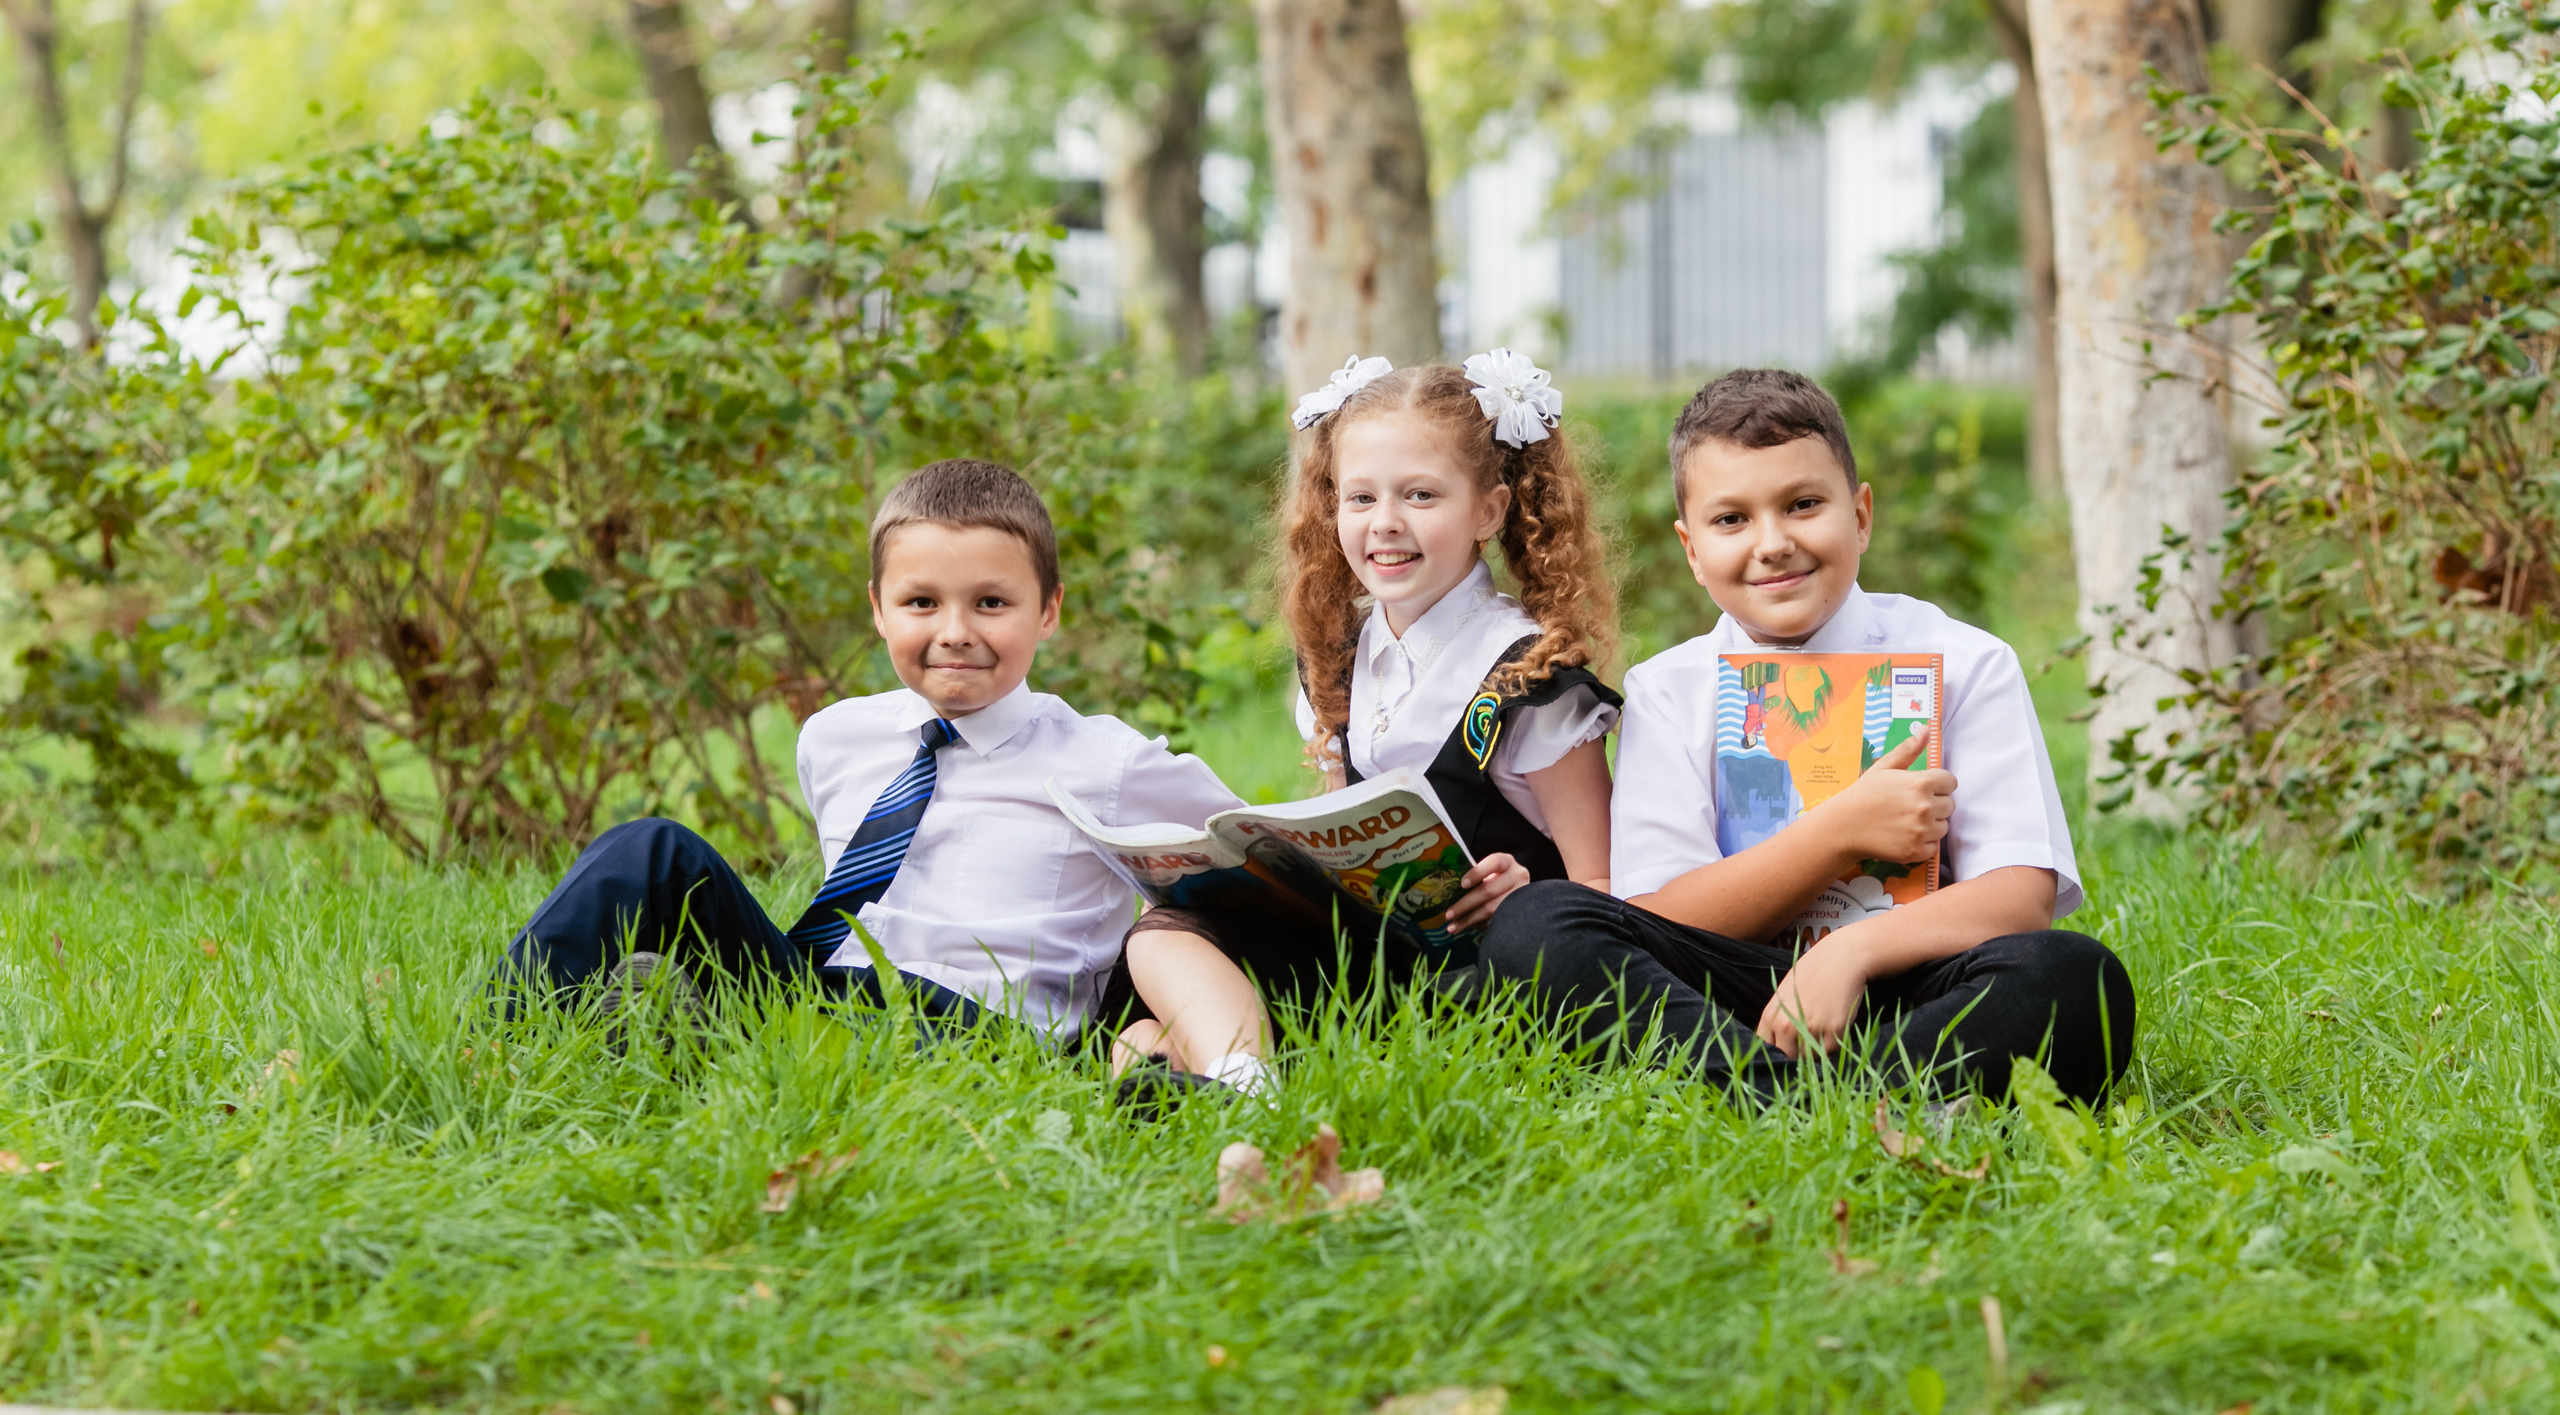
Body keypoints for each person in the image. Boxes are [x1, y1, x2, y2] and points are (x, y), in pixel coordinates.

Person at [1481, 368, 2135, 1103]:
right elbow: (1663, 914)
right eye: (1731, 520)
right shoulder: (1671, 688)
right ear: (1691, 548)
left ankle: (1769, 1101)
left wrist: (1851, 953)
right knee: (1535, 923)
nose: (1773, 542)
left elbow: (2019, 900)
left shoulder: (1966, 661)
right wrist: (1839, 832)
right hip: (1726, 998)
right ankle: (1833, 1102)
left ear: (1859, 515)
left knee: (2077, 978)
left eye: (1802, 504)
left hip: (1910, 988)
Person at [489, 458, 1242, 1038]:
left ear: (1047, 611)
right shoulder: (836, 737)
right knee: (652, 851)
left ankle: (694, 1026)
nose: (954, 632)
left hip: (985, 1029)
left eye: (991, 602)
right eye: (921, 602)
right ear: (879, 609)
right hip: (831, 993)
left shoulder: (1105, 762)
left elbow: (1267, 858)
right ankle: (494, 1043)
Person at [1105, 351, 1621, 1103]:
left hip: (1478, 979)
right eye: (1360, 497)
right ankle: (1245, 1082)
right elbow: (1339, 831)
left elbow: (1606, 885)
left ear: (1489, 509)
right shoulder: (1340, 655)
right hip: (1365, 957)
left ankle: (1220, 1078)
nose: (1386, 523)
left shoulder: (1531, 675)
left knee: (1144, 1043)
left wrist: (1530, 889)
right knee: (1160, 935)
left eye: (1420, 495)